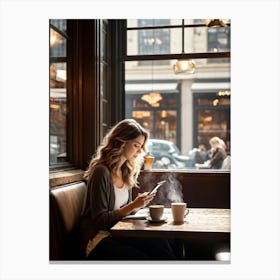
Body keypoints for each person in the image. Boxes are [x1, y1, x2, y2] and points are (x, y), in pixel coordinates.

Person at [79, 119, 176, 260]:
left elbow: (122, 212)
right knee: (144, 258)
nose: (140, 151)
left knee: (160, 243)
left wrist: (138, 205)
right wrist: (133, 205)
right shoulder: (101, 172)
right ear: (121, 142)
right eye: (136, 145)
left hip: (118, 233)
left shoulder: (125, 171)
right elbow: (100, 220)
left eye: (141, 146)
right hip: (98, 239)